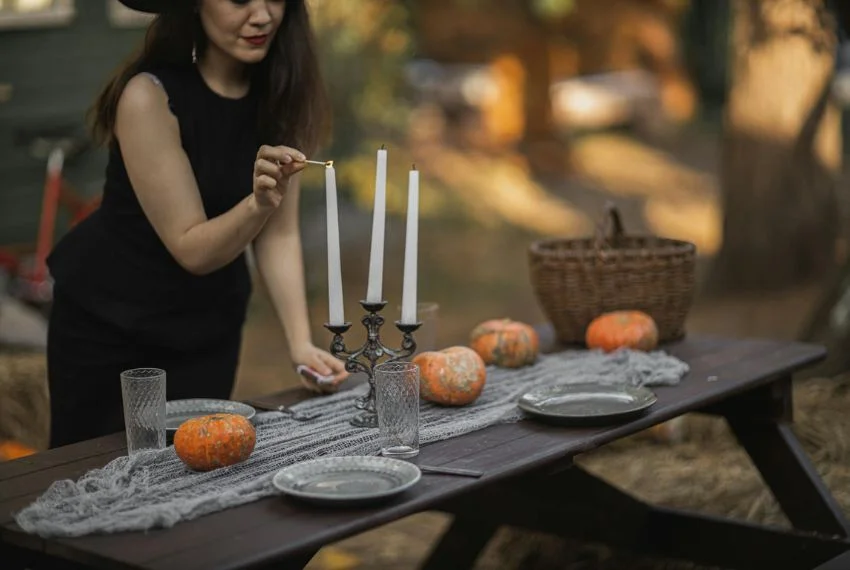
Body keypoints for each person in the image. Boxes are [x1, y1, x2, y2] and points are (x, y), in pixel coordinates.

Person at [46, 0, 348, 448]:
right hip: (112, 328)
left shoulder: (282, 95)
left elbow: (279, 233)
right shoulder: (148, 97)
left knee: (195, 469)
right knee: (95, 480)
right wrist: (258, 204)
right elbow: (192, 248)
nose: (263, 15)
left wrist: (300, 343)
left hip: (207, 327)